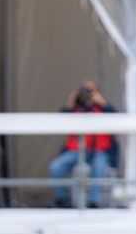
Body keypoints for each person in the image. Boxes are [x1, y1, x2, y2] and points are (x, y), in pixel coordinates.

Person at [49, 80, 116, 208]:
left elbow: (116, 117)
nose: (87, 94)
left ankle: (93, 202)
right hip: (76, 150)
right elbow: (60, 119)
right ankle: (62, 199)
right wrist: (71, 101)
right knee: (56, 167)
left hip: (99, 150)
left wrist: (102, 102)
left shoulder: (104, 109)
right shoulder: (75, 109)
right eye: (84, 90)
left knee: (99, 167)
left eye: (90, 91)